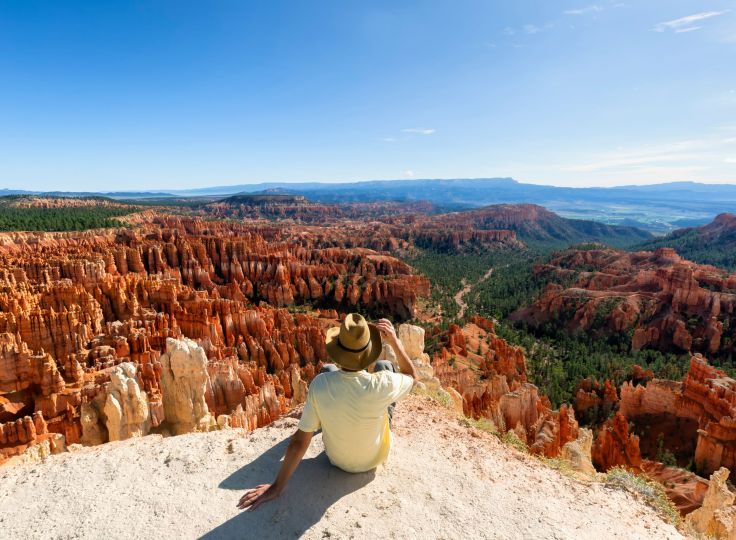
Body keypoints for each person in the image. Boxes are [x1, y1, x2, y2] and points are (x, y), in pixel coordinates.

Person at [237, 313, 417, 511]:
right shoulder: (382, 383)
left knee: (328, 370)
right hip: (374, 459)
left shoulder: (320, 385)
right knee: (386, 366)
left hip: (337, 460)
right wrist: (394, 340)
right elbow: (412, 376)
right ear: (368, 352)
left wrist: (277, 486)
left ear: (339, 351)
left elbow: (299, 441)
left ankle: (327, 417)